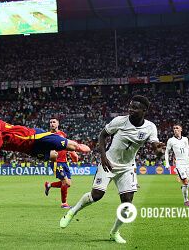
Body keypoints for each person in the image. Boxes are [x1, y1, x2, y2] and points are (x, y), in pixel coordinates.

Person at [59, 95, 164, 244]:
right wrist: (103, 156)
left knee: (127, 203)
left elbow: (155, 145)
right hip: (109, 162)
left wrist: (158, 151)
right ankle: (72, 212)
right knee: (97, 195)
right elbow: (102, 135)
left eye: (136, 108)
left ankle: (114, 232)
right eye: (131, 107)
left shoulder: (150, 127)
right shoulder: (120, 121)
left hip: (127, 167)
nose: (131, 110)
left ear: (144, 110)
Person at [0, 100, 90, 199]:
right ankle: (61, 159)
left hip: (34, 136)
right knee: (54, 157)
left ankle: (74, 149)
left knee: (76, 147)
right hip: (30, 150)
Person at [43, 117, 79, 208]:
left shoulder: (62, 134)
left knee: (68, 184)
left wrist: (72, 153)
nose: (52, 124)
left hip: (64, 162)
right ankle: (64, 203)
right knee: (65, 182)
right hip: (56, 162)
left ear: (58, 124)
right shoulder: (47, 136)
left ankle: (49, 185)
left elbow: (67, 145)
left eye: (54, 122)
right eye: (50, 122)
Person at [164, 124, 189, 206]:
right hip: (179, 164)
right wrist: (167, 164)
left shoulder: (185, 139)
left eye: (177, 128)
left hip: (188, 163)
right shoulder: (171, 140)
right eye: (174, 128)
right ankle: (186, 200)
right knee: (185, 182)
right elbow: (166, 152)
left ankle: (184, 188)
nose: (175, 129)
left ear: (181, 129)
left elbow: (188, 150)